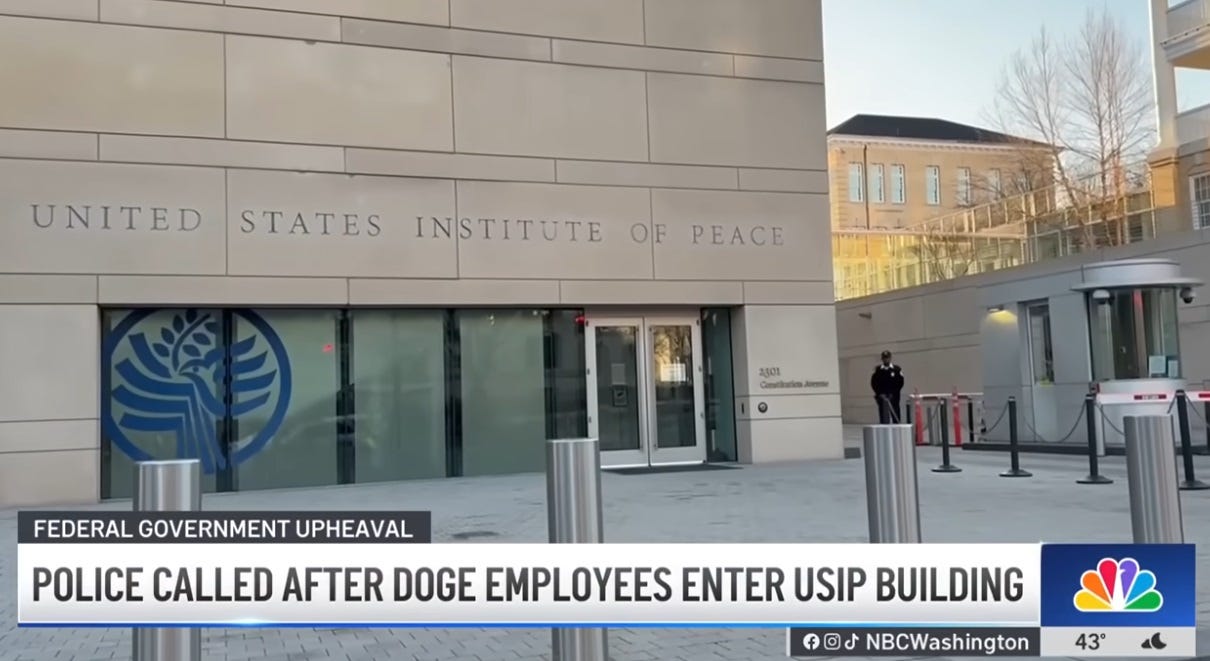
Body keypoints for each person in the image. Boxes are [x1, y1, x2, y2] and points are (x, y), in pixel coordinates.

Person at [870, 350, 905, 423]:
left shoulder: (897, 369)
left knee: (895, 415)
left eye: (887, 358)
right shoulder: (878, 370)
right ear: (882, 359)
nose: (886, 359)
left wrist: (893, 393)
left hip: (894, 397)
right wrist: (880, 394)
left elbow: (900, 383)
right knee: (883, 417)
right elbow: (874, 383)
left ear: (890, 358)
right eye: (884, 358)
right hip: (882, 397)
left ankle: (896, 429)